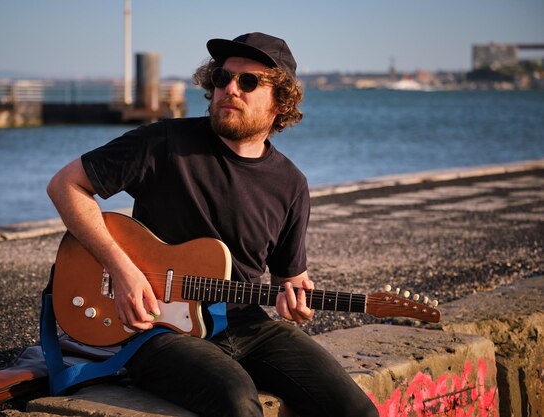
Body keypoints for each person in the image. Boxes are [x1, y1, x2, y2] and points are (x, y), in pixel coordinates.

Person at [47, 32, 379, 417]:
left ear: (281, 102)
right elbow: (66, 185)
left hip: (248, 324)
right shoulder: (164, 143)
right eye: (222, 77)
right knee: (235, 399)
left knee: (355, 409)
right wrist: (122, 270)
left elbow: (292, 280)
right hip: (159, 328)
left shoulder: (291, 184)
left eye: (248, 82)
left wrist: (298, 304)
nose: (230, 89)